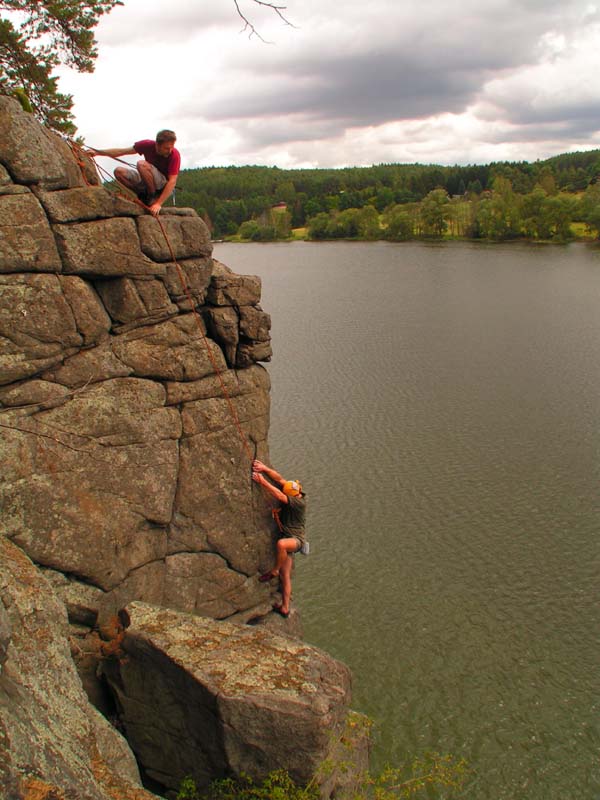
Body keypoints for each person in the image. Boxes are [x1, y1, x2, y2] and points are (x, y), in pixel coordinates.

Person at [252, 459, 306, 618]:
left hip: (296, 540)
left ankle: (274, 570)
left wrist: (262, 482)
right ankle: (285, 607)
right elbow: (279, 479)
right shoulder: (296, 490)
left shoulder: (298, 503)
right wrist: (265, 468)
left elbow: (280, 496)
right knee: (286, 577)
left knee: (281, 545)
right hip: (289, 537)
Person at [88, 130, 180, 217]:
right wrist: (97, 152)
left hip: (163, 185)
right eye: (167, 148)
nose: (170, 150)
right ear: (157, 145)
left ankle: (152, 197)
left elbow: (172, 181)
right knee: (119, 172)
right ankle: (143, 195)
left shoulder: (174, 155)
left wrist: (158, 204)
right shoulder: (146, 145)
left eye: (172, 147)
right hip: (149, 180)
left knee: (141, 164)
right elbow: (121, 151)